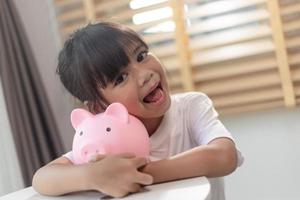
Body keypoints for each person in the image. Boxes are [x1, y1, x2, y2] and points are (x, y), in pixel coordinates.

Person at [32, 22, 243, 200]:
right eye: (121, 78)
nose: (144, 75)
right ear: (98, 107)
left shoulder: (190, 108)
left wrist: (136, 173)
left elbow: (224, 156)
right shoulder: (106, 137)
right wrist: (93, 175)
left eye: (141, 56)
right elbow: (42, 178)